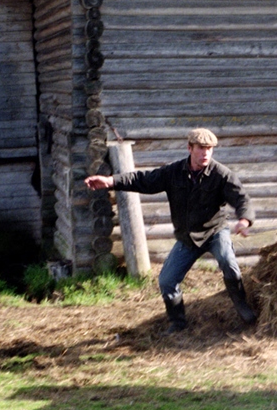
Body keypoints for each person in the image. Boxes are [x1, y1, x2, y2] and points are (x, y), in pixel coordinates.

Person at [85, 128, 256, 334]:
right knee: (166, 281)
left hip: (215, 232)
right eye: (201, 148)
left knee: (228, 263)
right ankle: (177, 322)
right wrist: (111, 181)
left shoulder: (221, 174)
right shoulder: (174, 172)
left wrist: (245, 220)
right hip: (187, 237)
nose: (205, 154)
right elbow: (144, 180)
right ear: (189, 148)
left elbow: (241, 198)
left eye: (209, 149)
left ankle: (242, 307)